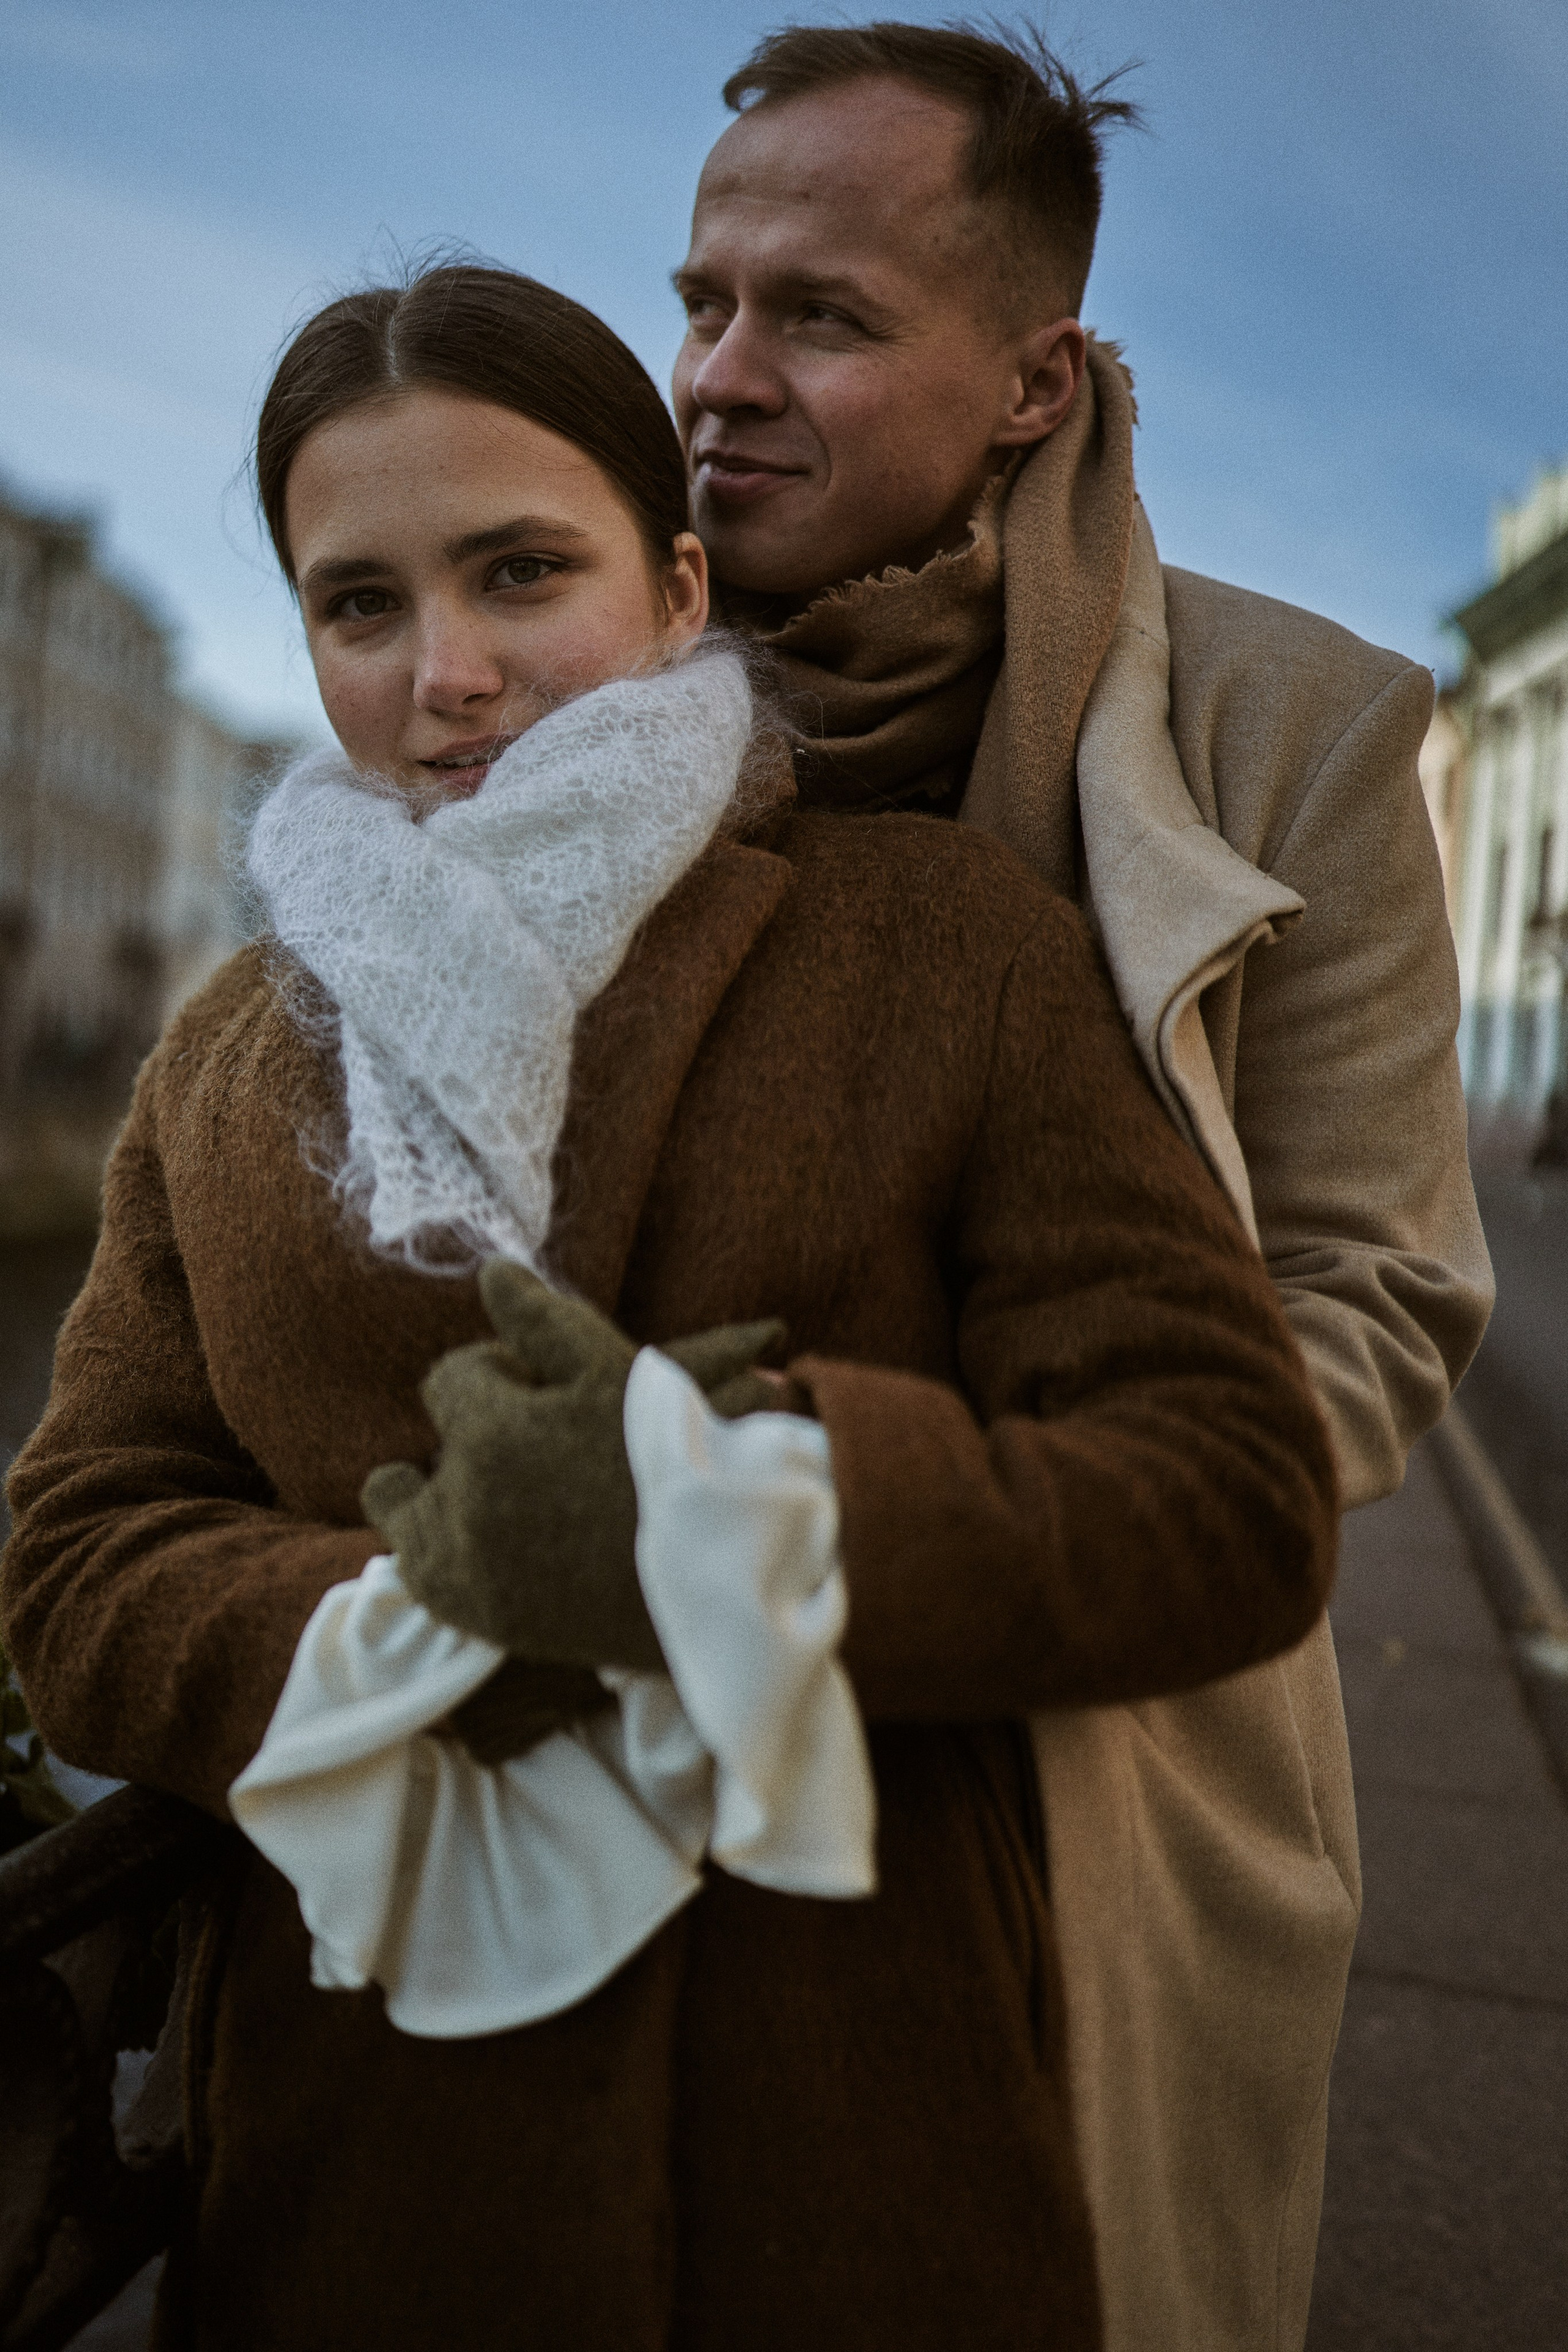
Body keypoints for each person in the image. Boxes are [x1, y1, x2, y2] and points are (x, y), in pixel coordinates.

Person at [1, 262, 1337, 2351]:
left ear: (683, 586)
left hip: (856, 2125)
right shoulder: (227, 1051)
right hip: (363, 2165)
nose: (448, 671)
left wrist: (734, 1524)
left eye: (522, 571)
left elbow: (1230, 1491)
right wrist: (415, 1615)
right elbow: (75, 1564)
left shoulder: (943, 942)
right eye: (361, 605)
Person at [670, 22, 1494, 2351]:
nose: (717, 375)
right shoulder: (576, 670)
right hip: (620, 1712)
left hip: (1084, 1749)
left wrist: (1003, 1536)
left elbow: (1374, 1287)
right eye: (701, 297)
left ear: (1032, 383)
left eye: (817, 315)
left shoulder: (1297, 723)